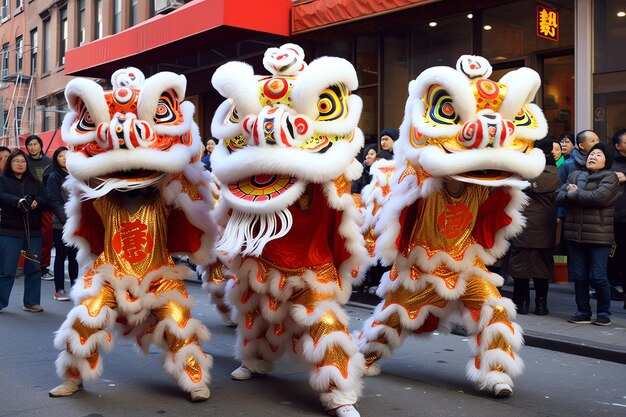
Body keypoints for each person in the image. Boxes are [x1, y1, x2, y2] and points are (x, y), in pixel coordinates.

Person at [555, 142, 621, 326]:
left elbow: (599, 198)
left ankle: (604, 313)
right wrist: (572, 195)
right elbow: (558, 196)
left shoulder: (610, 177)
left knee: (598, 276)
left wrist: (575, 194)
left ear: (606, 160)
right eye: (592, 154)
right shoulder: (575, 175)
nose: (593, 157)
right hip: (574, 234)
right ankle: (583, 312)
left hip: (599, 235)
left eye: (598, 154)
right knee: (579, 276)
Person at [506, 137, 560, 315]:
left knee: (520, 267)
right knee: (542, 268)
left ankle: (521, 303)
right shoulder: (557, 173)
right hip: (546, 228)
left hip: (524, 227)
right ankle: (541, 305)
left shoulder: (526, 173)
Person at [0, 149, 50, 312]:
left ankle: (31, 302)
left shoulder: (35, 181)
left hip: (33, 231)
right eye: (16, 161)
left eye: (23, 161)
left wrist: (36, 202)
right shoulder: (3, 180)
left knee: (34, 268)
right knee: (7, 269)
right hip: (9, 231)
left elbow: (46, 200)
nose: (20, 164)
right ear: (10, 164)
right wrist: (18, 201)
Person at [45, 146, 78, 301]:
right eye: (61, 156)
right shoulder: (53, 177)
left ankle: (75, 287)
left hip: (78, 222)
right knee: (60, 256)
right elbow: (53, 200)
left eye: (67, 155)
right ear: (56, 159)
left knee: (75, 257)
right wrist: (67, 217)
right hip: (61, 224)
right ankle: (59, 290)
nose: (65, 158)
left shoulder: (77, 175)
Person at [24, 134, 54, 281]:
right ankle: (25, 265)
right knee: (25, 236)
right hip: (27, 204)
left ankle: (43, 267)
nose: (33, 147)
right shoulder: (23, 162)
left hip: (45, 205)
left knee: (46, 237)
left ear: (41, 145)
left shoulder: (50, 162)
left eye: (35, 144)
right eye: (30, 145)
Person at [608, 128, 626, 309]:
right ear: (618, 146)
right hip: (616, 217)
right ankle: (613, 286)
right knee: (615, 255)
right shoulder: (611, 163)